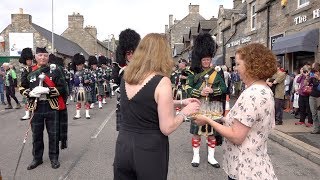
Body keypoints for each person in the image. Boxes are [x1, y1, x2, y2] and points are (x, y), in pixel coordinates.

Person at [113, 33, 200, 180]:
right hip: (149, 150)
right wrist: (185, 112)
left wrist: (179, 102)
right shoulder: (162, 81)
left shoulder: (127, 76)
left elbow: (144, 103)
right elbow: (167, 128)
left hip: (123, 145)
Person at [193, 43, 278, 180]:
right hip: (255, 165)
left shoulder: (251, 94)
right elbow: (247, 123)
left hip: (245, 170)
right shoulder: (264, 90)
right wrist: (219, 118)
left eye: (238, 64)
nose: (235, 68)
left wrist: (208, 120)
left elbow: (236, 136)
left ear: (251, 65)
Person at [20, 47, 68, 170]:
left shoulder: (55, 70)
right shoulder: (28, 70)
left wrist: (48, 90)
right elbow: (21, 87)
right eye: (40, 55)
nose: (43, 58)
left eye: (45, 55)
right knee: (36, 135)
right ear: (35, 57)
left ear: (48, 57)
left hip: (51, 105)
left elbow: (63, 88)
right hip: (36, 107)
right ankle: (37, 158)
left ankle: (54, 157)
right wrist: (30, 93)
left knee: (53, 134)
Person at [185, 33, 227, 168]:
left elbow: (224, 88)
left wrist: (213, 91)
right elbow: (188, 88)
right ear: (200, 60)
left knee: (211, 134)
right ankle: (196, 156)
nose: (206, 62)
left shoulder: (217, 73)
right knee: (197, 133)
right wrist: (199, 92)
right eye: (204, 60)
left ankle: (211, 157)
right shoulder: (192, 73)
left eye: (208, 60)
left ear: (211, 60)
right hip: (198, 106)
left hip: (212, 107)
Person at [111, 28, 140, 131]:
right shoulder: (119, 68)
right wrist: (122, 91)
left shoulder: (142, 68)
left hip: (139, 103)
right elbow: (113, 83)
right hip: (123, 103)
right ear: (124, 55)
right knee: (124, 133)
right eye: (128, 53)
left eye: (133, 52)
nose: (131, 56)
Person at [72, 53, 93, 119]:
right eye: (78, 65)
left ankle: (87, 114)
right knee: (78, 102)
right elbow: (72, 81)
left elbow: (92, 79)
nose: (79, 66)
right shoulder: (74, 73)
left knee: (86, 101)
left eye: (80, 65)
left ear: (83, 64)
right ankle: (78, 114)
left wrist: (88, 81)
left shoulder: (87, 71)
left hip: (85, 88)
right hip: (77, 88)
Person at [19, 47, 33, 120]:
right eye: (28, 60)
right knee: (26, 102)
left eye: (30, 60)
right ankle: (27, 114)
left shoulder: (33, 68)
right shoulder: (25, 69)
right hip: (25, 87)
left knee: (32, 101)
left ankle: (32, 112)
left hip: (31, 86)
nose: (29, 61)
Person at [309, 62, 320, 134]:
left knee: (319, 114)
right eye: (314, 72)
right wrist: (308, 77)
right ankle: (316, 129)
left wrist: (319, 79)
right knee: (314, 113)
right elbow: (309, 83)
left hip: (319, 96)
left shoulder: (317, 77)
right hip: (312, 96)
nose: (315, 73)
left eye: (317, 71)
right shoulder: (312, 76)